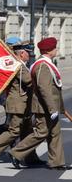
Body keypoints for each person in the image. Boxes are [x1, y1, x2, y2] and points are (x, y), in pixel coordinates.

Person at [9, 37, 69, 170]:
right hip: (44, 107)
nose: (56, 50)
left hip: (49, 106)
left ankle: (57, 162)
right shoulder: (43, 65)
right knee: (41, 133)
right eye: (55, 48)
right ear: (49, 50)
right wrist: (52, 109)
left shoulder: (45, 63)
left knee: (55, 133)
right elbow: (44, 89)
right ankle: (16, 153)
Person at [0, 38, 41, 164]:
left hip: (23, 105)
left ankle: (30, 157)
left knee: (27, 131)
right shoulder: (18, 66)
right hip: (18, 104)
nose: (29, 56)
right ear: (22, 53)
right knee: (14, 130)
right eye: (27, 53)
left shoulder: (20, 65)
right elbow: (29, 81)